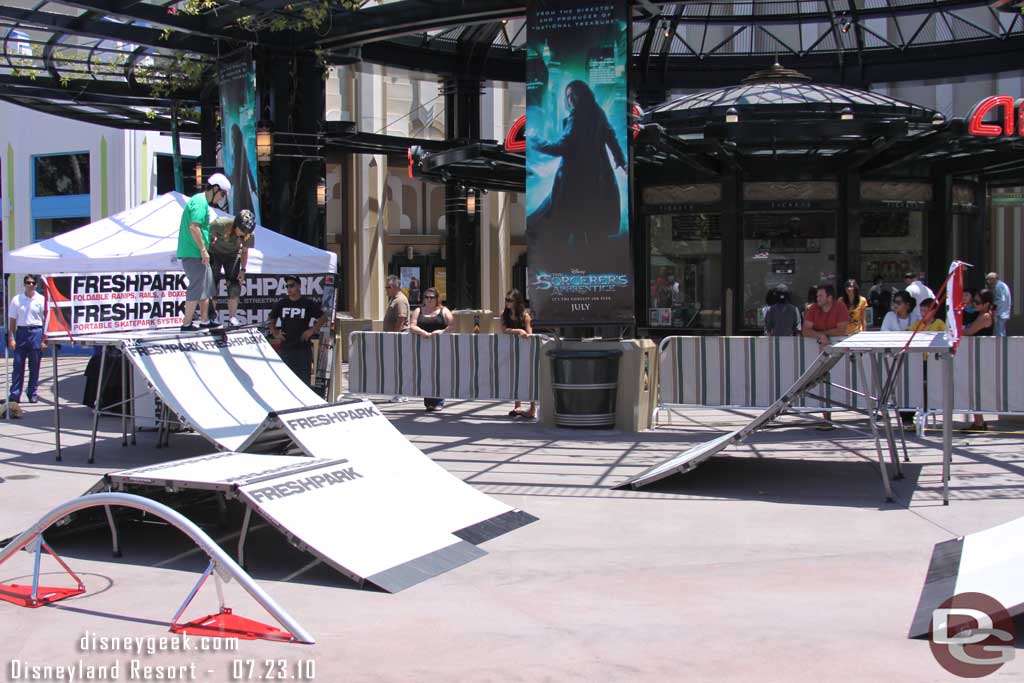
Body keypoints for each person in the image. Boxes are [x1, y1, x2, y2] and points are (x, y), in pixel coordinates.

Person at [529, 80, 626, 259]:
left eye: (574, 94)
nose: (570, 99)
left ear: (583, 94)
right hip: (595, 182)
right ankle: (591, 267)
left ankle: (576, 266)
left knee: (569, 227)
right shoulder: (597, 112)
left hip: (575, 183)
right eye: (568, 96)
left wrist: (537, 142)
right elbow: (610, 136)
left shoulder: (578, 116)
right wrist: (620, 159)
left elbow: (562, 147)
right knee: (588, 229)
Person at [177, 173, 231, 331]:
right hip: (194, 253)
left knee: (206, 287)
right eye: (222, 194)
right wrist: (202, 249)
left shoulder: (202, 203)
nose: (222, 198)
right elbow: (194, 227)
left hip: (199, 252)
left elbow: (200, 228)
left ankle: (205, 320)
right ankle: (186, 323)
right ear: (215, 189)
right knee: (197, 286)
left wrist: (207, 241)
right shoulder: (200, 202)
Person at [269, 275, 329, 389]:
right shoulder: (281, 303)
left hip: (303, 349)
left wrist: (313, 330)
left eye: (292, 285)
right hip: (286, 349)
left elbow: (324, 317)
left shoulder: (307, 303)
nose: (289, 288)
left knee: (304, 382)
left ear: (299, 286)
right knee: (284, 382)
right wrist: (275, 333)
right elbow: (271, 319)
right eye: (287, 286)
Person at [802, 284, 848, 427]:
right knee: (819, 381)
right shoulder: (813, 309)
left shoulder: (840, 307)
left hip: (840, 352)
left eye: (821, 296)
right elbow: (806, 330)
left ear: (830, 297)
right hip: (818, 351)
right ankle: (826, 418)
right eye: (817, 296)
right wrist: (821, 336)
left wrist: (824, 334)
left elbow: (841, 330)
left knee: (841, 381)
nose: (817, 298)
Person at [7, 274, 48, 416]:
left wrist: (44, 339)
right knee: (18, 365)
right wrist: (12, 337)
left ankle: (32, 393)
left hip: (36, 332)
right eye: (27, 282)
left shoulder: (41, 300)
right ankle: (15, 394)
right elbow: (12, 320)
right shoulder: (17, 300)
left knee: (34, 365)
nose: (30, 285)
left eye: (32, 283)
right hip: (22, 332)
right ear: (24, 284)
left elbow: (46, 319)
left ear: (36, 285)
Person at [208, 209, 256, 326]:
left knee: (234, 287)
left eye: (247, 232)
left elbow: (244, 252)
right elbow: (205, 234)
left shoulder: (249, 235)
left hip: (232, 256)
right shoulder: (220, 224)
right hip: (215, 253)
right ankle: (211, 317)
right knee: (213, 285)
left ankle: (232, 317)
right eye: (242, 230)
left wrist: (243, 270)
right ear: (236, 224)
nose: (243, 234)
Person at [409, 287, 453, 412]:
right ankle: (428, 402)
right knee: (425, 374)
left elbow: (452, 325)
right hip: (422, 349)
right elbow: (412, 325)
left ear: (437, 299)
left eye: (431, 297)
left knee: (438, 374)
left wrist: (441, 331)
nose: (428, 300)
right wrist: (422, 332)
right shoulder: (418, 310)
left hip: (440, 349)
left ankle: (439, 401)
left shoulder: (443, 310)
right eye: (426, 297)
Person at [500, 289, 536, 419]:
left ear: (517, 302)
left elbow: (529, 333)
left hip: (525, 349)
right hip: (511, 349)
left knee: (529, 376)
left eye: (510, 300)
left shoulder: (525, 315)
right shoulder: (504, 314)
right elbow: (504, 330)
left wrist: (522, 331)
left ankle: (532, 409)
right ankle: (517, 405)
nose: (507, 303)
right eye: (506, 300)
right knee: (515, 375)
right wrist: (518, 330)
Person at [962, 289, 995, 431]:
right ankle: (978, 421)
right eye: (973, 300)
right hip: (975, 355)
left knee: (975, 388)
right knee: (973, 388)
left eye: (977, 302)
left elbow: (969, 331)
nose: (974, 304)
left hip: (981, 356)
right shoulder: (979, 314)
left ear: (987, 303)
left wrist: (956, 329)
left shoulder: (985, 316)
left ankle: (980, 422)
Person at [383, 275, 410, 403]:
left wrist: (395, 336)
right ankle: (401, 392)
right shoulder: (394, 299)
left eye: (387, 287)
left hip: (398, 339)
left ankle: (400, 393)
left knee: (398, 366)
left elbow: (401, 318)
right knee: (396, 366)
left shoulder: (399, 300)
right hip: (395, 338)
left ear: (394, 287)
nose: (386, 290)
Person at [985, 272, 1011, 336]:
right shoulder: (1001, 285)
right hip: (1002, 310)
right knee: (1000, 329)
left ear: (993, 279)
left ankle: (1001, 343)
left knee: (999, 330)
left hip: (1001, 311)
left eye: (988, 279)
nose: (988, 282)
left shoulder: (999, 286)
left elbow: (1001, 299)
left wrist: (993, 306)